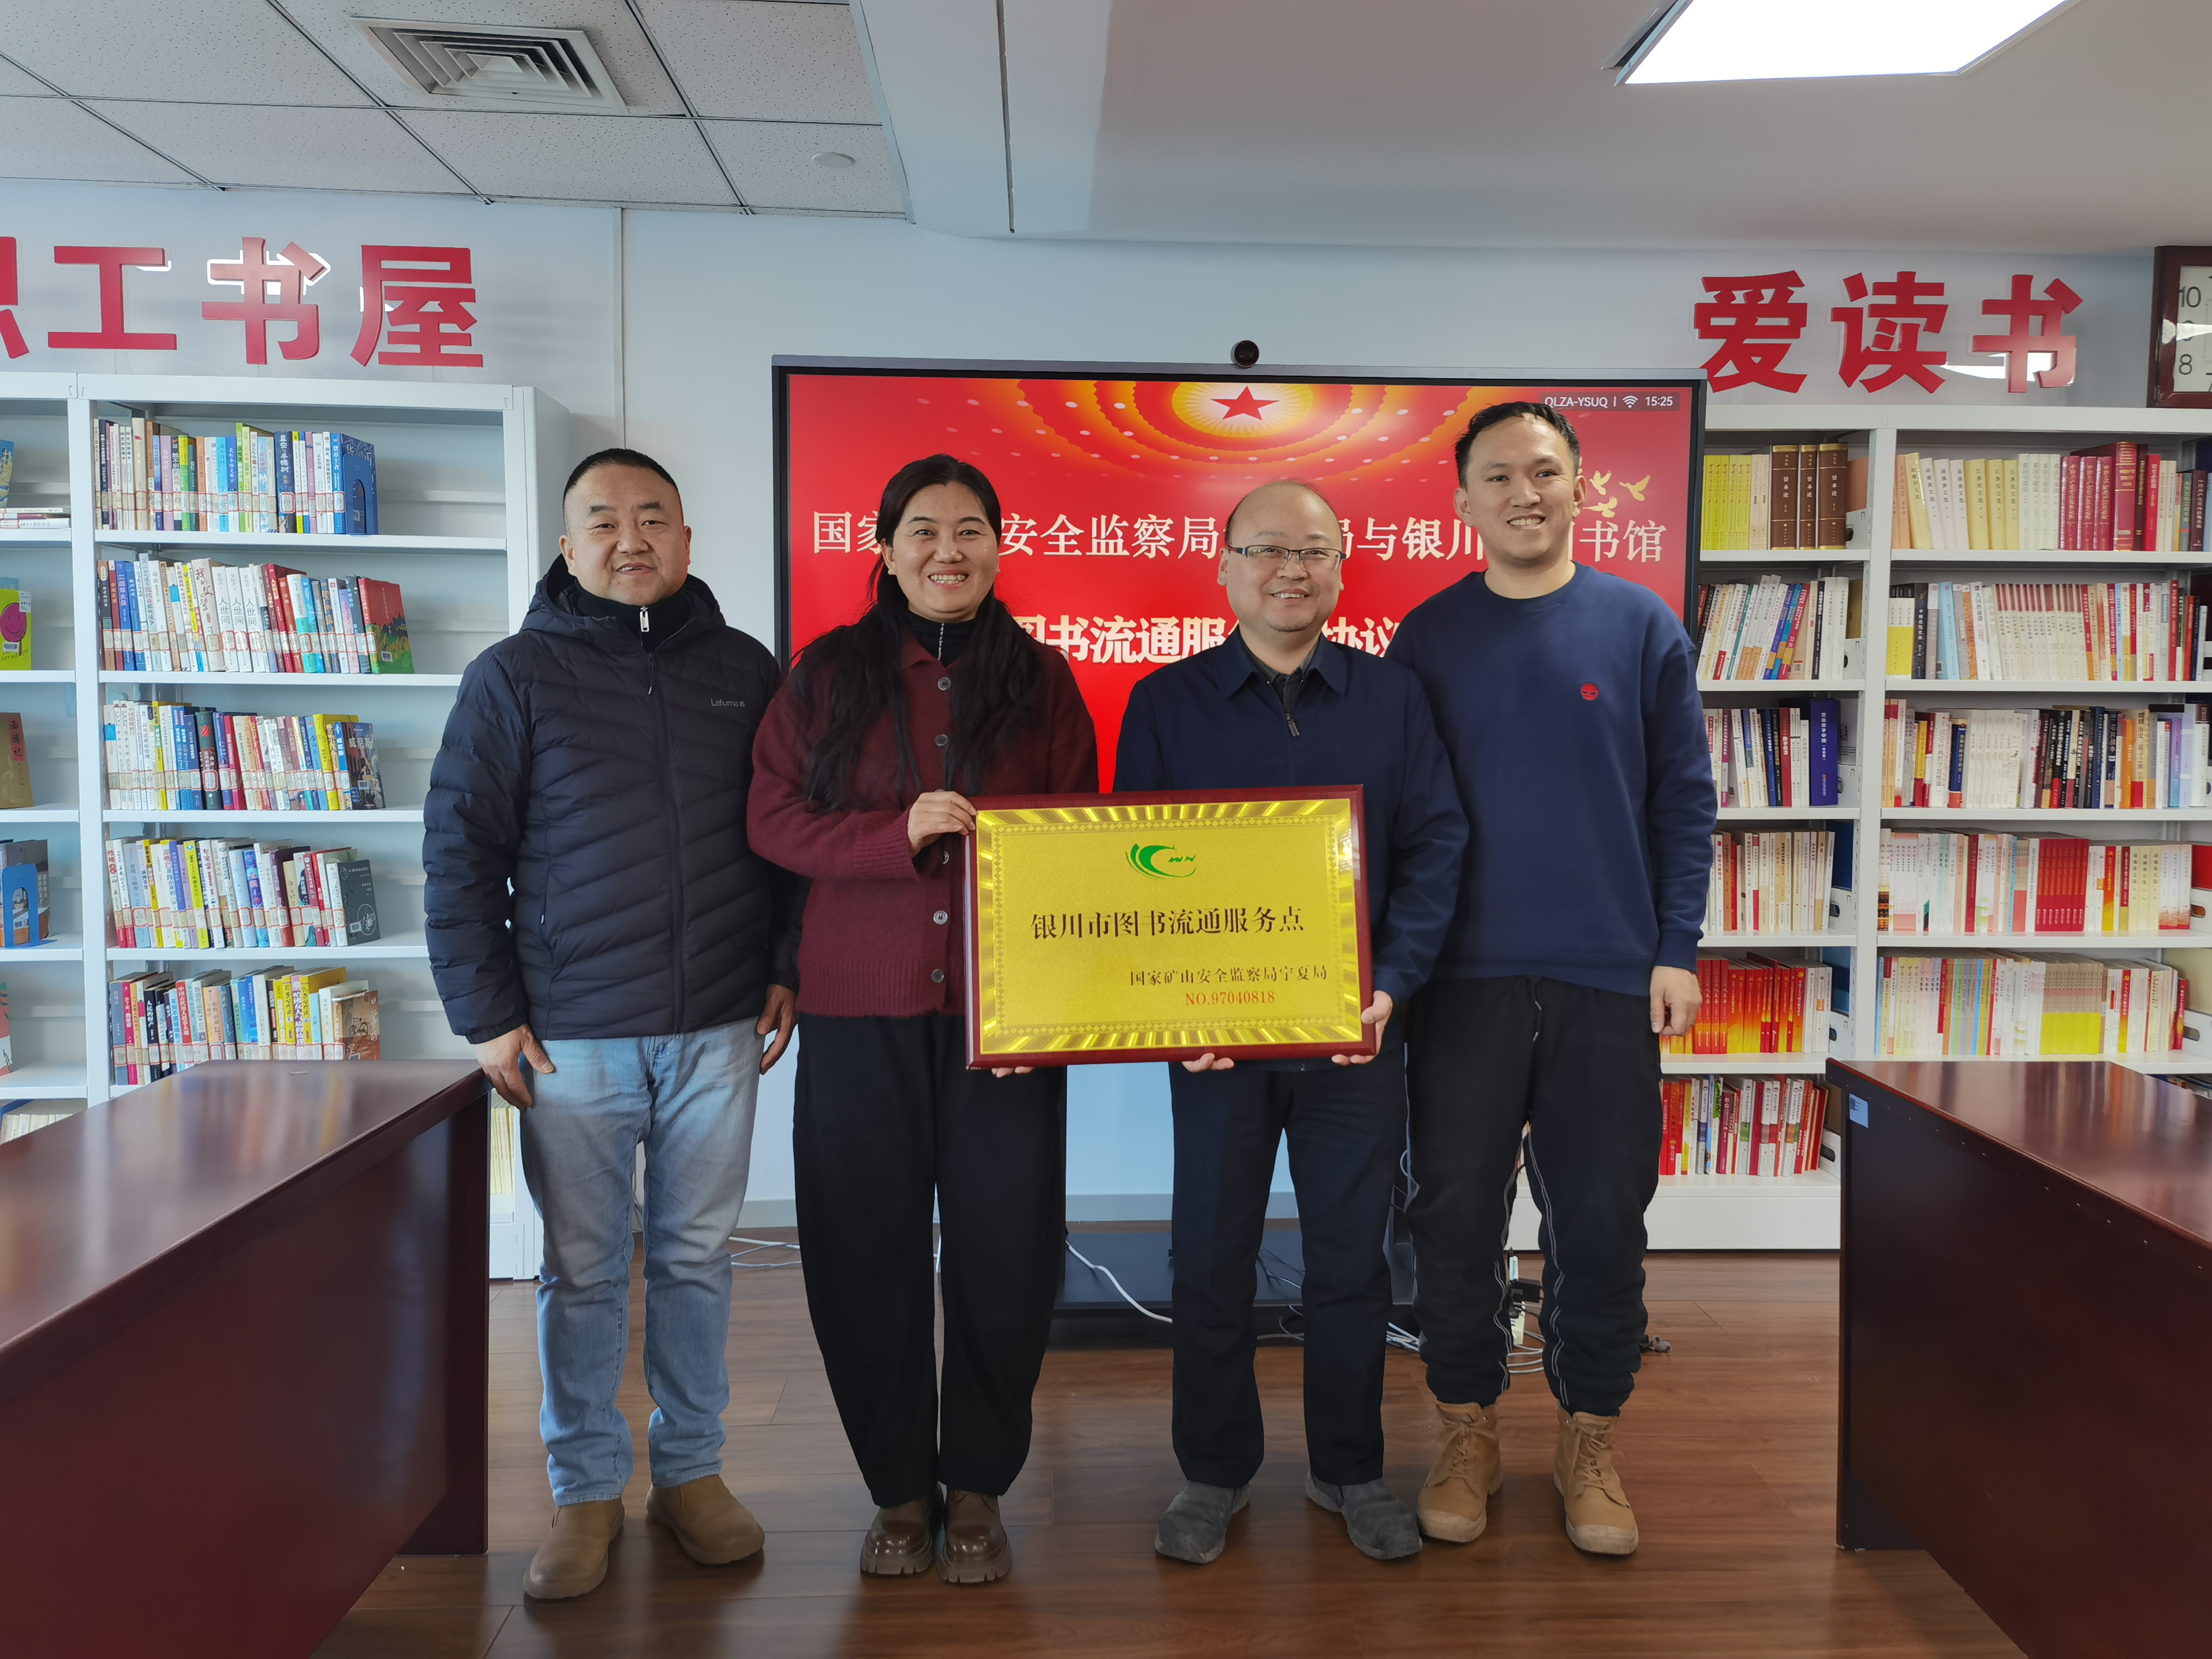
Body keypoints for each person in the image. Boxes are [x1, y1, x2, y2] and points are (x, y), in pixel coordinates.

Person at [423, 447, 800, 1601]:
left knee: (695, 1260)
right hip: (571, 1036)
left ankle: (691, 1474)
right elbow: (459, 851)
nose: (630, 539)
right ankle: (584, 1490)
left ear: (686, 539)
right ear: (567, 544)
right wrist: (488, 1017)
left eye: (653, 518)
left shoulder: (745, 668)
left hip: (717, 1028)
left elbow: (789, 831)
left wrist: (784, 965)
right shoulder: (513, 676)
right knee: (583, 1271)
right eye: (603, 520)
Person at [748, 453, 1098, 1586]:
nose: (949, 551)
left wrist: (1058, 1000)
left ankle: (980, 1486)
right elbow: (770, 821)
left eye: (970, 531)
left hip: (1007, 1021)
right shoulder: (826, 674)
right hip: (858, 1005)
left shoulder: (1041, 679)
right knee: (863, 1250)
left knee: (1006, 1250)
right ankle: (898, 1490)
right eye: (924, 531)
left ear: (999, 545)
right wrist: (885, 837)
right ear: (886, 548)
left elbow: (1082, 841)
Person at [1116, 480, 1467, 1566]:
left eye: (1314, 551)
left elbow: (1436, 847)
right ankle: (1213, 1471)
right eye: (1267, 549)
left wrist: (1391, 985)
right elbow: (1127, 870)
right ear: (1224, 565)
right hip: (1214, 1043)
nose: (1290, 571)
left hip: (1352, 1036)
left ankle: (1347, 1468)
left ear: (1341, 569)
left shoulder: (1391, 697)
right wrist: (1170, 1010)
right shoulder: (1164, 703)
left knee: (1351, 1262)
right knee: (1208, 1256)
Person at [1385, 402, 1713, 1556]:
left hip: (1607, 976)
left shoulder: (1640, 626)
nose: (1522, 494)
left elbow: (1683, 801)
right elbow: (1400, 819)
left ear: (1580, 486)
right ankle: (1465, 1429)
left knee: (1601, 1217)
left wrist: (1675, 948)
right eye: (1497, 477)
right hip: (1461, 979)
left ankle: (1588, 1437)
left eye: (1542, 472)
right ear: (1462, 501)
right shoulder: (1427, 638)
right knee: (1452, 1218)